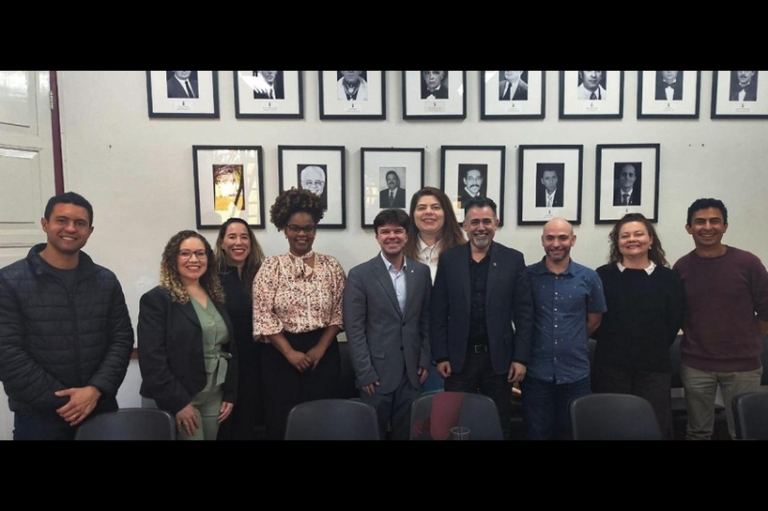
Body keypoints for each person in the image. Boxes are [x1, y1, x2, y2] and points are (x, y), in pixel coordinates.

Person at [0, 192, 134, 440]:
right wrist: (66, 400)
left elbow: (122, 339)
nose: (70, 228)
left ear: (90, 230)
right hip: (38, 417)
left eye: (80, 223)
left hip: (98, 408)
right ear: (45, 224)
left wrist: (95, 391)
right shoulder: (8, 281)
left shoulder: (106, 281)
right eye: (61, 220)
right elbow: (6, 352)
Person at [430, 197, 533, 439]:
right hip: (457, 360)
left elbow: (525, 313)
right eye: (474, 221)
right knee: (452, 424)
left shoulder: (513, 259)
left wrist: (520, 358)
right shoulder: (449, 260)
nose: (481, 227)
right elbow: (437, 312)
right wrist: (441, 355)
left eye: (487, 221)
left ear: (496, 223)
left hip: (499, 360)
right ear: (464, 225)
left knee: (498, 423)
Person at [253, 188, 346, 440]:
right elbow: (263, 314)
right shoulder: (271, 267)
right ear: (285, 229)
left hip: (323, 352)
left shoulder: (332, 266)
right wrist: (289, 353)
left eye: (308, 228)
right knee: (281, 420)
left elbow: (340, 312)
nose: (302, 234)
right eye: (295, 228)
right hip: (280, 354)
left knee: (323, 420)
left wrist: (320, 347)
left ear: (315, 229)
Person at [674, 198, 768, 440]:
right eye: (700, 222)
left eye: (714, 221)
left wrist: (744, 340)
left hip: (743, 366)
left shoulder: (748, 263)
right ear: (688, 228)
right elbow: (678, 313)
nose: (707, 227)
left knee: (744, 431)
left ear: (725, 226)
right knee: (698, 432)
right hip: (696, 365)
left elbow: (766, 309)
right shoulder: (681, 267)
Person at [138, 230, 238, 441]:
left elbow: (229, 348)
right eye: (185, 253)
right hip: (178, 397)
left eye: (200, 253)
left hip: (213, 395)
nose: (194, 259)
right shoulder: (157, 299)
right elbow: (151, 360)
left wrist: (230, 392)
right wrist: (178, 403)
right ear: (173, 259)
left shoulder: (216, 296)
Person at [592, 213, 684, 440]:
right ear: (618, 242)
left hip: (654, 367)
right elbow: (595, 319)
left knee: (653, 427)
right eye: (625, 236)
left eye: (638, 234)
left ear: (650, 239)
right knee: (612, 426)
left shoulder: (669, 278)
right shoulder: (602, 275)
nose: (632, 239)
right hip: (611, 367)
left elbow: (674, 322)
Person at [344, 209, 431, 440]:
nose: (392, 236)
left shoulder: (421, 273)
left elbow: (426, 320)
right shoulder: (360, 275)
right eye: (385, 232)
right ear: (377, 237)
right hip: (376, 374)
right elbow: (354, 329)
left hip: (412, 373)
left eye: (398, 231)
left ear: (407, 235)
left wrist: (424, 358)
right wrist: (364, 373)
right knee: (373, 433)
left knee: (408, 433)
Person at [524, 217, 606, 440]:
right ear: (542, 241)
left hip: (576, 373)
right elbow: (520, 319)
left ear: (573, 240)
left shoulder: (588, 277)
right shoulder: (527, 276)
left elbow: (594, 321)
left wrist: (572, 340)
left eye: (562, 237)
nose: (556, 243)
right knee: (536, 434)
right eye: (550, 238)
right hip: (536, 373)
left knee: (572, 433)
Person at [404, 187, 467, 394]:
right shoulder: (399, 253)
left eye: (435, 207)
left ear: (446, 213)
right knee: (413, 416)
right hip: (410, 347)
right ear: (413, 215)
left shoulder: (464, 252)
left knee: (446, 415)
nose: (428, 212)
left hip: (452, 348)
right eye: (421, 208)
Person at [214, 218, 266, 440]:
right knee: (226, 427)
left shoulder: (263, 273)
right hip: (225, 366)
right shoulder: (211, 276)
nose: (239, 242)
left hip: (260, 362)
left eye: (244, 237)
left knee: (253, 424)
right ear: (222, 242)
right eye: (232, 236)